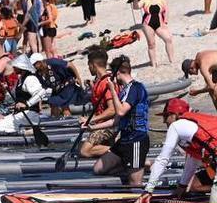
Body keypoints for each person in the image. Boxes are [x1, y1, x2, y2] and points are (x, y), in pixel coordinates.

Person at [137, 98, 217, 203]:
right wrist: (182, 186)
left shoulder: (176, 125)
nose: (164, 121)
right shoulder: (197, 123)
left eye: (165, 117)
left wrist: (148, 190)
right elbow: (192, 160)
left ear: (174, 115)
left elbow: (162, 160)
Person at [93, 55, 150, 184]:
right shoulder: (124, 91)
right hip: (124, 139)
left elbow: (120, 110)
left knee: (134, 183)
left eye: (112, 75)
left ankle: (138, 168)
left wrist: (112, 90)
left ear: (118, 73)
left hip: (136, 139)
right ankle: (137, 165)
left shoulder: (135, 88)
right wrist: (92, 126)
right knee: (98, 169)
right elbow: (116, 120)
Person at [79, 49, 118, 160]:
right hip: (101, 125)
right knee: (80, 146)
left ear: (93, 65)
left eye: (88, 66)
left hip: (109, 126)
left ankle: (120, 149)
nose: (89, 68)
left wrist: (90, 120)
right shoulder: (99, 81)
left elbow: (112, 110)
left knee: (84, 151)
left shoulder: (106, 82)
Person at [33, 52, 83, 117]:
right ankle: (56, 123)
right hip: (55, 89)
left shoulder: (53, 62)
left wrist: (78, 78)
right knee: (53, 107)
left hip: (67, 84)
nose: (33, 66)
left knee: (64, 108)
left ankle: (69, 123)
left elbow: (70, 65)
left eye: (34, 64)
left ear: (39, 62)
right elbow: (42, 88)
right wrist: (39, 104)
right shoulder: (38, 73)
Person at [137, 0, 175, 68]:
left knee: (168, 39)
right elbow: (136, 7)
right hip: (147, 24)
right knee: (151, 44)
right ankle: (153, 64)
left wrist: (165, 22)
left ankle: (172, 60)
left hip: (159, 23)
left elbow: (166, 10)